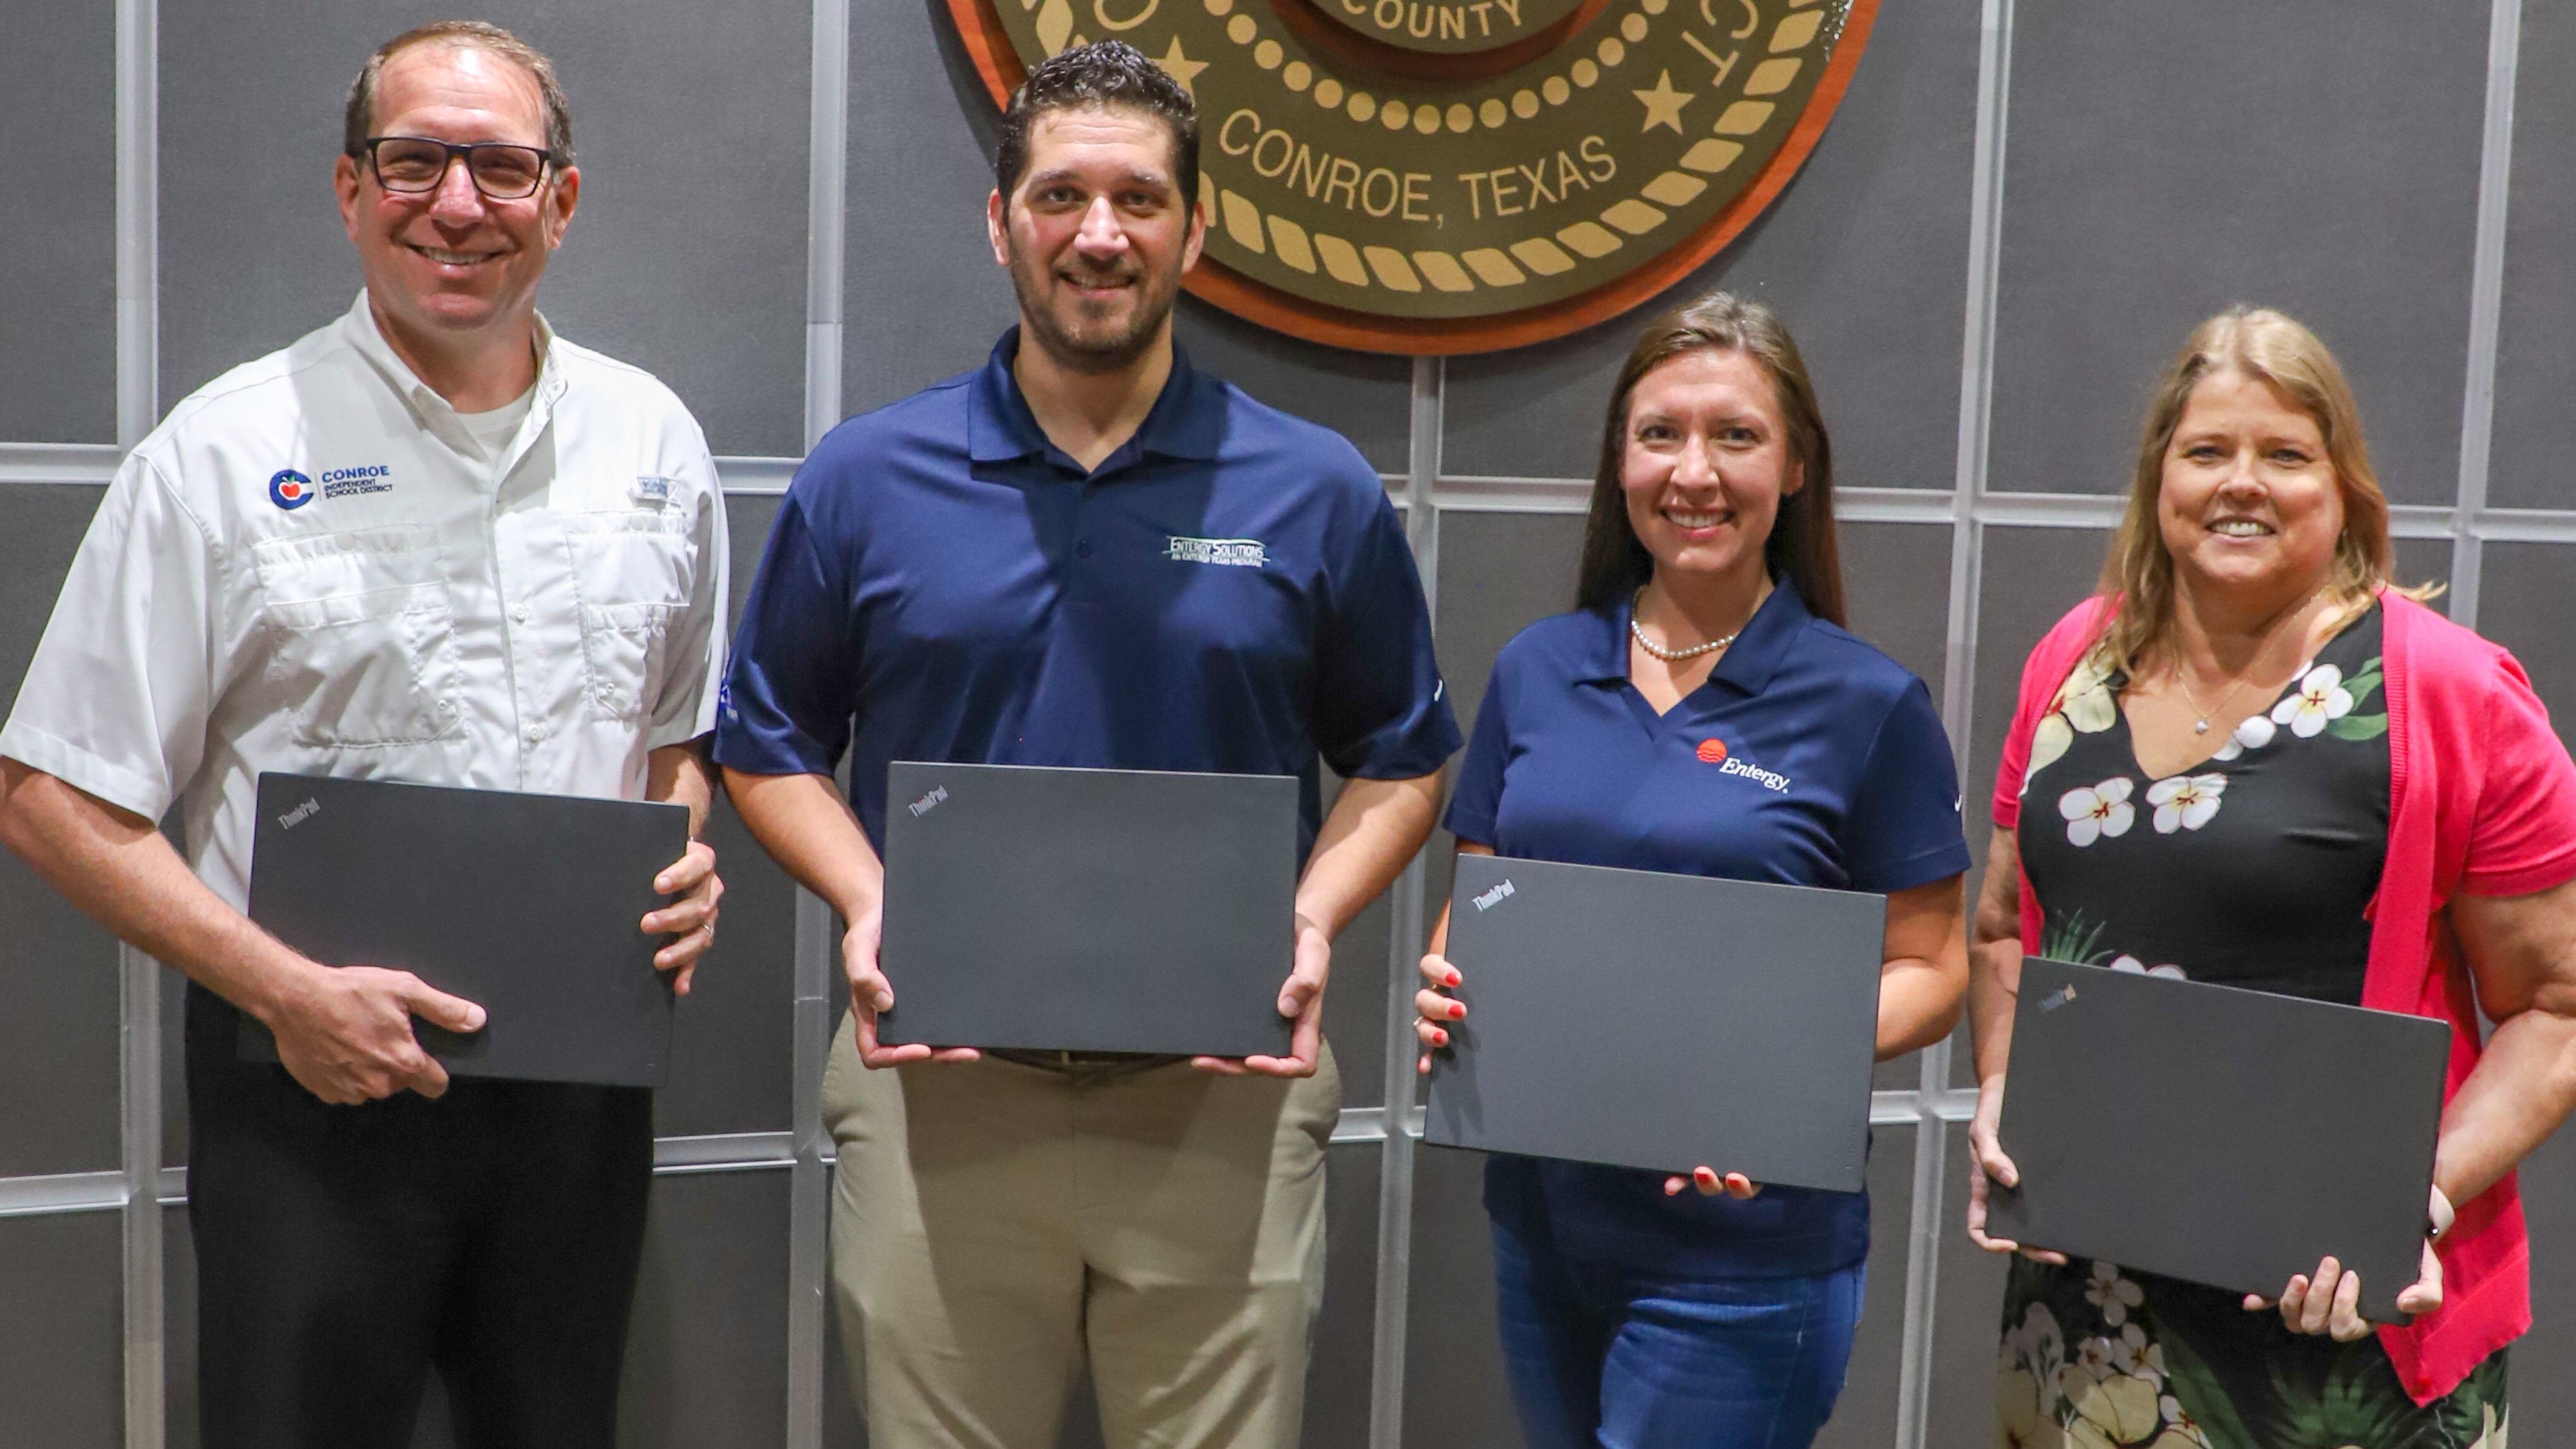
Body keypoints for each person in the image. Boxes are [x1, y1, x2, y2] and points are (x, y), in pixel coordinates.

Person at [712, 39, 1458, 1449]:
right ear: (1000, 223)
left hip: (1222, 1104)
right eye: (1060, 198)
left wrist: (1311, 920)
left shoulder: (1316, 488)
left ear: (1197, 228)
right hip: (941, 1097)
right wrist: (871, 904)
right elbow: (768, 744)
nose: (1099, 236)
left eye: (1138, 200)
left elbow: (1404, 754)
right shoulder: (867, 479)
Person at [0, 22, 728, 1447]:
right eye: (414, 162)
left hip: (576, 1096)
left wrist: (686, 863)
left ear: (560, 202)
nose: (457, 205)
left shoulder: (656, 447)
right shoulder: (220, 456)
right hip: (310, 1096)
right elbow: (50, 794)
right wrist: (283, 991)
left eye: (503, 169)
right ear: (351, 191)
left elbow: (672, 738)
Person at [1966, 308, 2576, 1447]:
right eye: (2206, 453)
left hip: (2349, 1334)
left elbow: (2557, 1006)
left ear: (2341, 487)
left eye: (2284, 456)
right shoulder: (2071, 661)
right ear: (2159, 479)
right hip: (2093, 1317)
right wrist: (2006, 1085)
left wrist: (2413, 1196)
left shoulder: (2451, 693)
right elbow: (2003, 927)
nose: (2240, 484)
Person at [1410, 291, 1972, 1449]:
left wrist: (1761, 1068)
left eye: (1736, 436)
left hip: (1745, 1245)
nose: (1693, 472)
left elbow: (1932, 968)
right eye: (1658, 432)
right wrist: (1446, 987)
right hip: (1540, 1223)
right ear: (1619, 460)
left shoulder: (1867, 706)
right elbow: (1477, 912)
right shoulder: (1538, 668)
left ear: (1797, 466)